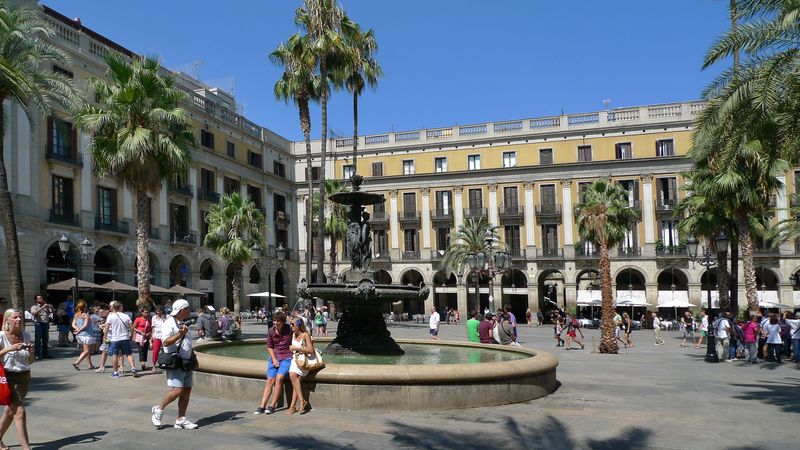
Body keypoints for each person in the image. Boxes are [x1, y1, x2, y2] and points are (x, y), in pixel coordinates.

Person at [151, 299, 199, 429]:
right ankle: (158, 409)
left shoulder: (182, 322)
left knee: (187, 391)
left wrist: (193, 356)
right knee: (177, 390)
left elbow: (186, 342)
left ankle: (181, 419)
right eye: (187, 308)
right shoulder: (169, 323)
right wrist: (180, 334)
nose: (190, 310)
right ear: (181, 310)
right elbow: (165, 342)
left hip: (187, 361)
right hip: (175, 361)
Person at [0, 309, 34, 450]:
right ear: (8, 320)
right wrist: (9, 349)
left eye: (20, 317)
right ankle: (26, 448)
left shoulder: (26, 335)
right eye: (15, 317)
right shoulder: (1, 336)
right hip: (8, 378)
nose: (19, 319)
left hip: (24, 377)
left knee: (10, 411)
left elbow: (31, 361)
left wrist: (31, 353)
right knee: (19, 412)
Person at [254, 311, 292, 415]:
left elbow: (300, 332)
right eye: (274, 321)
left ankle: (272, 405)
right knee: (270, 379)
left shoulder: (289, 329)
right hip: (274, 357)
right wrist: (274, 360)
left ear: (283, 322)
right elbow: (270, 347)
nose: (275, 323)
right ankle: (262, 405)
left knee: (279, 378)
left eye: (278, 321)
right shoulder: (271, 331)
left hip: (287, 357)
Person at [287, 319, 315, 415]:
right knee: (293, 377)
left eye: (292, 324)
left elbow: (311, 350)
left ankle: (293, 406)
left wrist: (297, 348)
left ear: (299, 325)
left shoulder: (305, 334)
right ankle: (301, 401)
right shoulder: (293, 334)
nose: (291, 326)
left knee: (295, 380)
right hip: (295, 360)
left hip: (304, 362)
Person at [105, 301, 137, 378]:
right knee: (128, 354)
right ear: (120, 307)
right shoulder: (126, 316)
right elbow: (132, 327)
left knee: (115, 355)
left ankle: (115, 372)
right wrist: (132, 335)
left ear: (113, 308)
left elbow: (106, 327)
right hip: (125, 337)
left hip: (115, 338)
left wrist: (105, 336)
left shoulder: (111, 316)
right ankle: (133, 368)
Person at [70, 300, 96, 370]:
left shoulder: (76, 314)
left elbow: (73, 324)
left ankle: (90, 364)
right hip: (86, 334)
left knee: (86, 350)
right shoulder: (85, 315)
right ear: (84, 307)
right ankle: (77, 362)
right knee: (87, 351)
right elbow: (85, 325)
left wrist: (77, 329)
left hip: (80, 335)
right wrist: (79, 330)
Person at [29, 295, 52, 360]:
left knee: (45, 339)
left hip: (46, 323)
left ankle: (45, 354)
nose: (42, 299)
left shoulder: (45, 306)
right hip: (38, 323)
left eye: (42, 298)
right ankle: (37, 354)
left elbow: (50, 312)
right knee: (38, 340)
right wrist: (42, 308)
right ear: (36, 300)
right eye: (40, 298)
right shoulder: (34, 306)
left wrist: (49, 307)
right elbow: (34, 313)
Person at [151, 306, 167, 371]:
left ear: (162, 311)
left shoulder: (165, 317)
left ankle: (165, 363)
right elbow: (153, 327)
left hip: (164, 335)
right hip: (157, 335)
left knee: (166, 350)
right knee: (156, 350)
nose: (158, 313)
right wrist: (152, 336)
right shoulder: (154, 318)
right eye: (157, 311)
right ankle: (153, 365)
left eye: (159, 311)